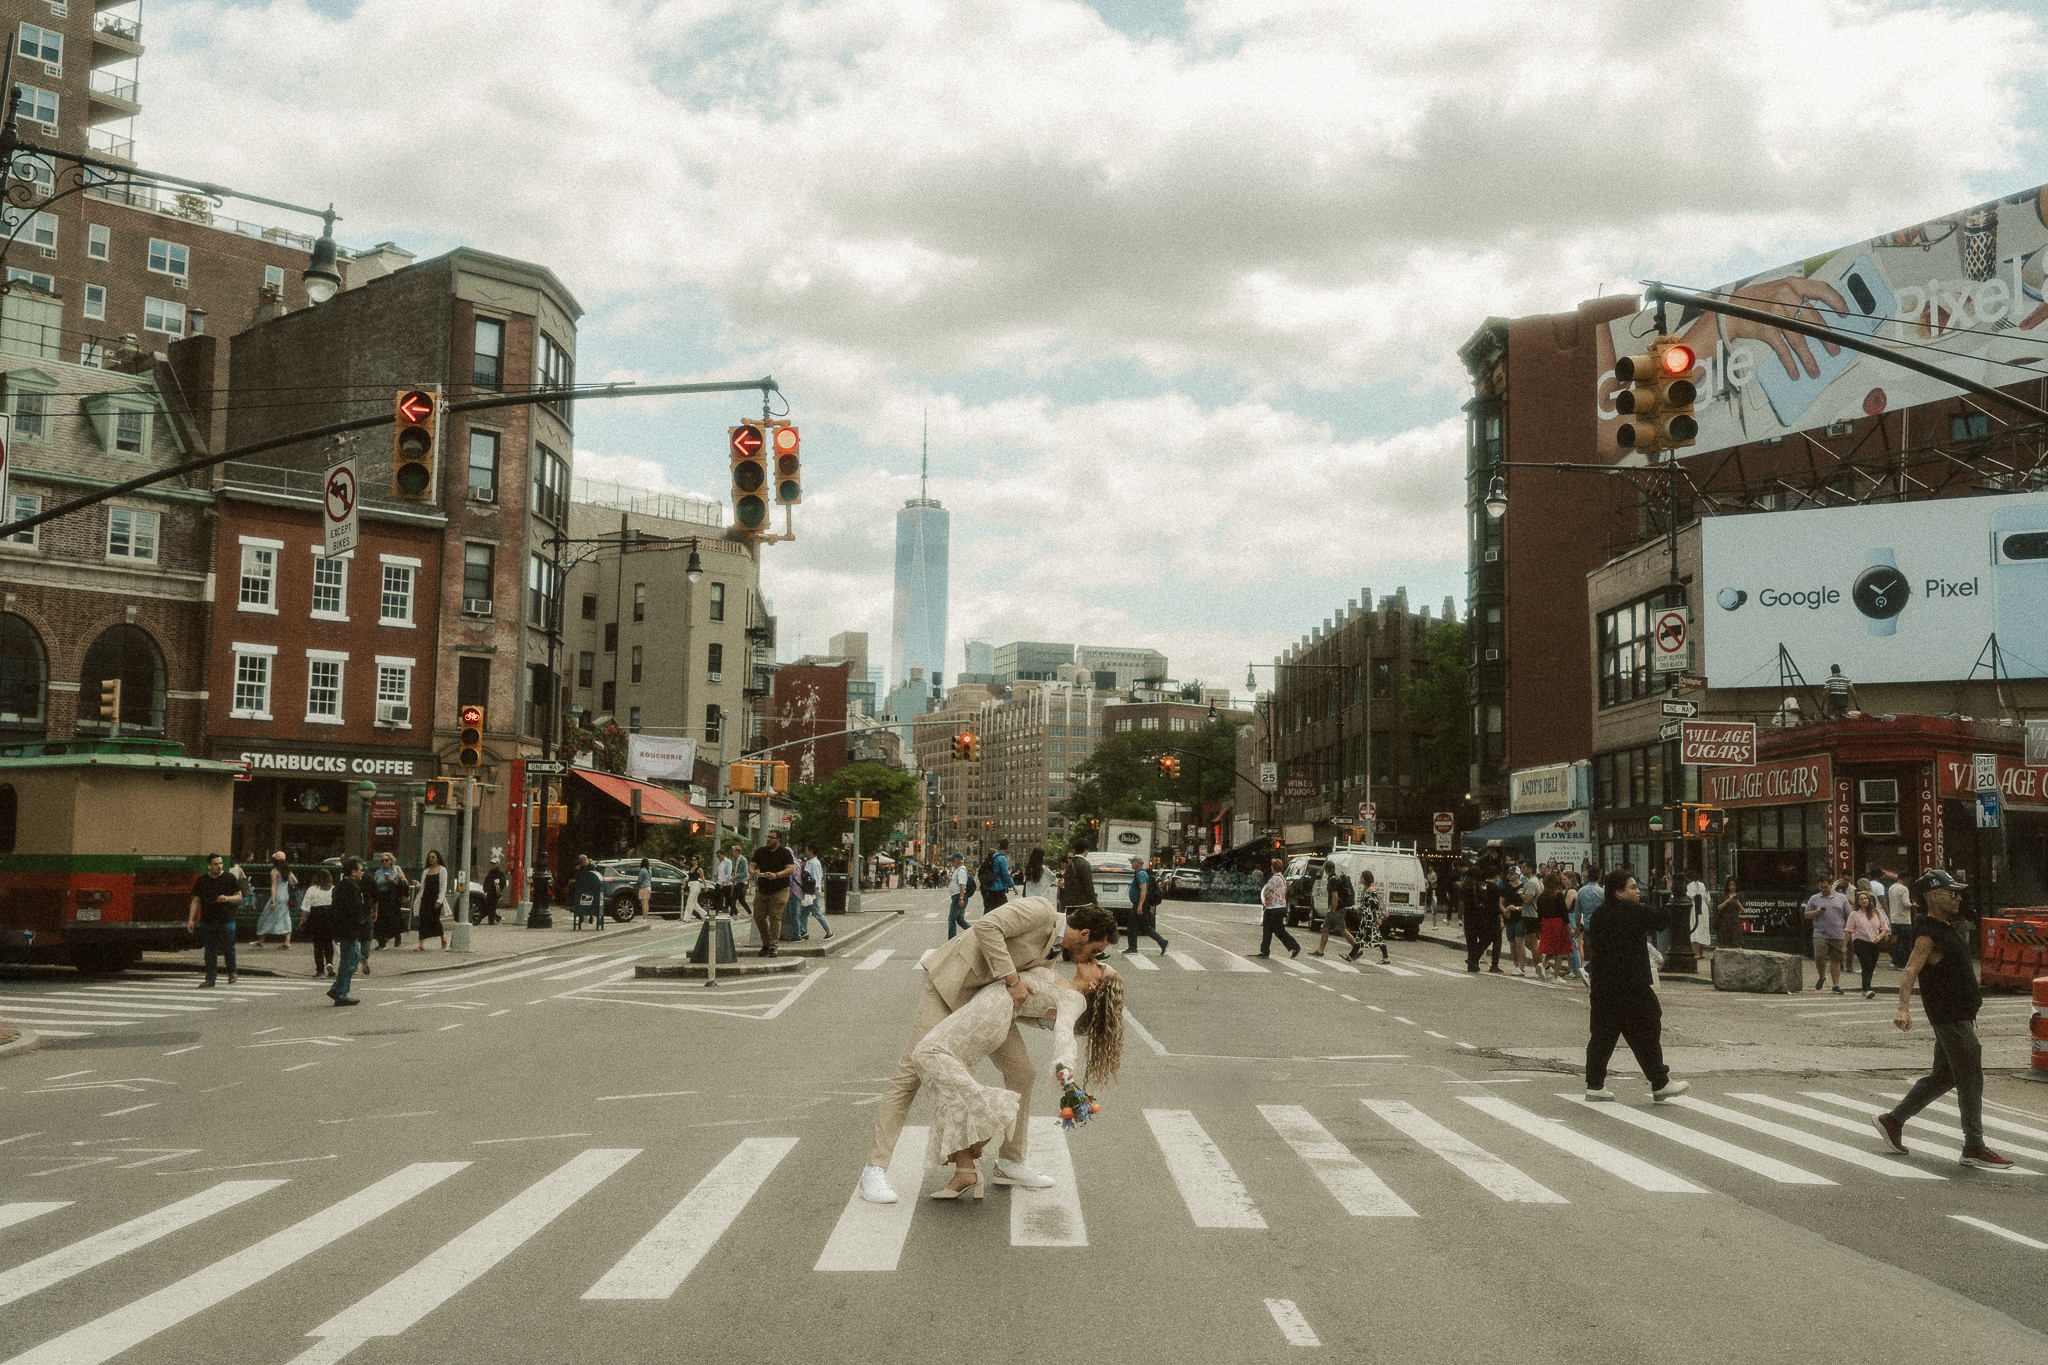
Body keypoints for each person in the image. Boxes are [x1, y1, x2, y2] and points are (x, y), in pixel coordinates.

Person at [857, 897, 1120, 1204]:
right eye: (1096, 951)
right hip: (951, 987)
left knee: (1023, 1073)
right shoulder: (1041, 911)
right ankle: (874, 1169)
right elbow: (987, 926)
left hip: (989, 1002)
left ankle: (1010, 1162)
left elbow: (1030, 999)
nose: (1092, 957)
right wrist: (1012, 979)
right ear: (1085, 934)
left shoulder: (1053, 953)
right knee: (910, 1074)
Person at [916, 958, 1123, 1199]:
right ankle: (966, 1170)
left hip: (992, 1010)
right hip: (991, 1006)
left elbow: (1064, 1031)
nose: (1096, 959)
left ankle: (999, 1107)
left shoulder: (1074, 998)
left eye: (1101, 967)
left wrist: (1065, 1065)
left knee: (926, 1053)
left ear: (1095, 984)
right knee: (949, 1081)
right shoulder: (1058, 977)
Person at [1872, 870, 2012, 1169]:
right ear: (1934, 895)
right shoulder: (1928, 932)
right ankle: (1974, 1145)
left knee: (1945, 1076)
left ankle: (1892, 1120)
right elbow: (1910, 970)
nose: (1958, 897)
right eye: (1953, 893)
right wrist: (1902, 1008)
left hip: (1957, 1016)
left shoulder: (1946, 926)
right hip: (1950, 1019)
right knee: (1971, 1078)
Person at [1583, 869, 1687, 1103]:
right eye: (1632, 887)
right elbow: (1662, 920)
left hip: (1603, 986)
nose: (1638, 890)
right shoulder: (1633, 912)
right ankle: (1660, 1082)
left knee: (1603, 1036)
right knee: (1648, 1027)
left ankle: (1595, 1085)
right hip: (1632, 986)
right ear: (1618, 892)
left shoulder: (1600, 914)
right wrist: (1670, 901)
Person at [186, 853, 242, 988]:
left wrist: (227, 898)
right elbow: (196, 900)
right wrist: (190, 920)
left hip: (226, 919)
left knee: (229, 947)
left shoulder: (229, 877)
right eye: (216, 864)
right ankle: (210, 979)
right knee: (210, 951)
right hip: (208, 920)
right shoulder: (202, 880)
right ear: (209, 866)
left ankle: (232, 971)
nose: (219, 866)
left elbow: (239, 896)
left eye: (221, 863)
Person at [327, 857, 370, 1007]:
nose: (362, 872)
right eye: (360, 870)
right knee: (348, 961)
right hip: (349, 929)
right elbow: (354, 910)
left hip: (343, 929)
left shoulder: (340, 886)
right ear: (353, 872)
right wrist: (361, 923)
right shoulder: (351, 887)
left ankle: (336, 989)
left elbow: (335, 910)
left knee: (354, 957)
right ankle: (341, 993)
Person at [750, 829, 798, 957]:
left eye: (772, 837)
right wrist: (753, 871)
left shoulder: (784, 853)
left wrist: (776, 875)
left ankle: (772, 947)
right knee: (758, 916)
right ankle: (766, 943)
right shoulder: (761, 851)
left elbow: (790, 869)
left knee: (775, 917)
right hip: (763, 889)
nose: (768, 839)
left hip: (780, 889)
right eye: (768, 837)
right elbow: (752, 865)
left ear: (778, 840)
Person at [1803, 872, 1850, 993]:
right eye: (1821, 887)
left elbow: (1848, 914)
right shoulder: (1814, 898)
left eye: (1826, 887)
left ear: (1831, 885)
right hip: (1820, 933)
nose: (1823, 889)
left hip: (1837, 933)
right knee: (1819, 956)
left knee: (1835, 959)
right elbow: (1806, 914)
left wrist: (1849, 930)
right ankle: (1822, 976)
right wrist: (1816, 913)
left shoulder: (1841, 898)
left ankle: (1836, 985)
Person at [1846, 889, 1888, 1000]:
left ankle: (1865, 988)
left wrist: (1880, 937)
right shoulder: (1854, 914)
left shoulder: (1876, 912)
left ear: (1869, 900)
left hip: (1875, 941)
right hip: (1860, 941)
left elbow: (1885, 927)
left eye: (1865, 899)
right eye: (1861, 899)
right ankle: (1867, 989)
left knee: (1872, 966)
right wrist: (1844, 946)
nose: (1864, 900)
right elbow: (1848, 930)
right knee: (1866, 964)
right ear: (1858, 902)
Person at [1125, 856, 1169, 955]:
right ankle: (1162, 942)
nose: (1131, 864)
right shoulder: (1140, 873)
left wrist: (1140, 905)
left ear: (1137, 863)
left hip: (1140, 904)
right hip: (1139, 903)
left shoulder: (1141, 874)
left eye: (1132, 862)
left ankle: (1133, 948)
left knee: (1132, 926)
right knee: (1144, 926)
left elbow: (1143, 889)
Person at [1257, 857, 1300, 959]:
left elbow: (1266, 889)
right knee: (1277, 930)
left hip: (1272, 908)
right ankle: (1266, 949)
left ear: (1273, 868)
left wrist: (1264, 899)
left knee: (1269, 929)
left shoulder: (1274, 879)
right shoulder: (1282, 879)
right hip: (1280, 907)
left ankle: (1266, 950)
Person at [1312, 868, 1358, 958]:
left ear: (1326, 870)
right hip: (1333, 910)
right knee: (1325, 928)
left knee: (1343, 931)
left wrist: (1333, 911)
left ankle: (1357, 948)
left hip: (1336, 910)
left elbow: (1335, 897)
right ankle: (1320, 950)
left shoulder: (1333, 881)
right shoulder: (1335, 879)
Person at [1535, 872, 1573, 980]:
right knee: (1560, 951)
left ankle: (1543, 963)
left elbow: (1539, 913)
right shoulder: (1558, 895)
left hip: (1545, 923)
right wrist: (1570, 927)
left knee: (1551, 947)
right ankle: (1556, 976)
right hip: (1558, 923)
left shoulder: (1541, 896)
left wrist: (1539, 928)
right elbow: (1564, 912)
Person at [1463, 866, 1500, 973]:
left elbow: (1461, 904)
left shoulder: (1463, 887)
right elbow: (1483, 901)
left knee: (1471, 941)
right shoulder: (1477, 887)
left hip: (1467, 917)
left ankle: (1472, 965)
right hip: (1478, 917)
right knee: (1486, 938)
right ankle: (1473, 959)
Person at [1347, 869, 1389, 964]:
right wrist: (1360, 908)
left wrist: (1379, 918)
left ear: (1366, 879)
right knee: (1367, 937)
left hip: (1370, 919)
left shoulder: (1371, 890)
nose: (1360, 879)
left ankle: (1350, 955)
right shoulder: (1367, 889)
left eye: (1361, 877)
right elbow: (1367, 903)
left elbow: (1376, 905)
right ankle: (1386, 957)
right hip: (1367, 918)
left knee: (1363, 937)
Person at [300, 869, 336, 978]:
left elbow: (306, 906)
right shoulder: (333, 889)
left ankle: (320, 971)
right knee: (329, 942)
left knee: (318, 945)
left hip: (316, 916)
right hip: (329, 915)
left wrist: (302, 919)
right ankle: (329, 962)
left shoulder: (312, 889)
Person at [1572, 867, 1605, 982]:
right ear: (1599, 877)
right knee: (1603, 951)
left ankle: (1595, 973)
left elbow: (1577, 911)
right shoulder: (1602, 892)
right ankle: (1587, 969)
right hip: (1601, 924)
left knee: (1596, 949)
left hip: (1587, 924)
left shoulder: (1581, 891)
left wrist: (1577, 926)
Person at [257, 852, 296, 949]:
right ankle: (287, 942)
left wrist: (272, 901)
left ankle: (261, 940)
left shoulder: (274, 871)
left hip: (277, 896)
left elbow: (273, 887)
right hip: (285, 896)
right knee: (286, 916)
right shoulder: (287, 871)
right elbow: (295, 881)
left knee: (267, 915)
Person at [793, 844, 832, 941]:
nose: (805, 851)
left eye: (806, 849)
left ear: (811, 851)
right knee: (803, 912)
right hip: (808, 892)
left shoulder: (815, 863)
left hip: (812, 893)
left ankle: (829, 931)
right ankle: (803, 931)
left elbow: (816, 879)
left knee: (817, 913)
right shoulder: (810, 862)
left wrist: (815, 894)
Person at [372, 852, 409, 952]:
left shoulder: (396, 869)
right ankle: (382, 943)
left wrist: (394, 881)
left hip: (392, 897)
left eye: (386, 860)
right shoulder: (378, 872)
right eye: (382, 860)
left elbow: (404, 882)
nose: (384, 862)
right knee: (379, 920)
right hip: (381, 897)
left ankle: (397, 934)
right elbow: (374, 885)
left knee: (393, 918)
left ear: (391, 860)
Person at [1881, 867, 1914, 969]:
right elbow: (1905, 904)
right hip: (1904, 919)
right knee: (1906, 942)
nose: (1909, 881)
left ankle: (1895, 961)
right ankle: (1901, 963)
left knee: (1899, 941)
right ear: (1905, 878)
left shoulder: (1891, 888)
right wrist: (1913, 905)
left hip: (1894, 918)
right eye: (1909, 879)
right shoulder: (1904, 889)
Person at [1497, 865, 1526, 976]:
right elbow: (1501, 903)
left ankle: (1522, 967)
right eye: (1508, 873)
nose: (1509, 875)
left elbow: (1527, 904)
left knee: (1519, 941)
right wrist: (1504, 910)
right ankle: (1516, 965)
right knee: (1512, 943)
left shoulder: (1523, 887)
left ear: (1517, 875)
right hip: (1509, 918)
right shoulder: (1506, 888)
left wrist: (1516, 908)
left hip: (1520, 917)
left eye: (1512, 873)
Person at [415, 850, 447, 950]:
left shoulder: (442, 870)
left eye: (433, 857)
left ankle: (443, 937)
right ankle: (421, 944)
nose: (431, 859)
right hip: (425, 899)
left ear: (437, 858)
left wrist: (439, 901)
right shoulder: (426, 871)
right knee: (422, 921)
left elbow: (443, 887)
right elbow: (423, 887)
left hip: (435, 899)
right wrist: (417, 884)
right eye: (429, 857)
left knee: (434, 920)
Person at [1058, 840, 1097, 912]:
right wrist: (1094, 902)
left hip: (1070, 903)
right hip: (1082, 904)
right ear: (1085, 849)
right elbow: (1088, 884)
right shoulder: (1085, 864)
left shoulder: (1070, 863)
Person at [570, 854, 606, 930]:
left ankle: (591, 917)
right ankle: (584, 919)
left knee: (591, 904)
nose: (580, 863)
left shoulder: (592, 867)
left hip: (591, 889)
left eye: (581, 862)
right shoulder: (581, 868)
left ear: (584, 860)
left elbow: (592, 877)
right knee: (583, 904)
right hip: (583, 889)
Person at [1714, 879, 1746, 952]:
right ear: (1728, 886)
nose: (1733, 887)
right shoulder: (1723, 895)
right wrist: (1728, 900)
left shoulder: (1740, 895)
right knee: (1724, 943)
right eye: (1731, 885)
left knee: (1737, 943)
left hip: (1735, 920)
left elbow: (1743, 911)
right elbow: (1719, 908)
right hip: (1725, 920)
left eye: (1734, 885)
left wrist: (1737, 902)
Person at [946, 853, 973, 938]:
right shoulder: (958, 870)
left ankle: (951, 940)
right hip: (957, 896)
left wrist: (961, 898)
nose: (952, 862)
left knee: (952, 920)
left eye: (953, 860)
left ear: (958, 861)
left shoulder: (961, 870)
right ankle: (974, 933)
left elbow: (962, 885)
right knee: (960, 920)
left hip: (958, 896)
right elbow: (956, 883)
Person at [984, 839, 1016, 910]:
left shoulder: (994, 856)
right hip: (999, 888)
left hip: (991, 887)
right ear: (1007, 847)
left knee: (993, 910)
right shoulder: (1002, 858)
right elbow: (1006, 874)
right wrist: (1013, 886)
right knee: (1004, 910)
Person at [479, 856, 505, 925]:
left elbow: (503, 883)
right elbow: (487, 880)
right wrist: (485, 888)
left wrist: (500, 890)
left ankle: (491, 921)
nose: (493, 865)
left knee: (492, 907)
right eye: (492, 864)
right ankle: (497, 918)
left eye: (494, 864)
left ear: (498, 864)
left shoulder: (500, 873)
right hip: (489, 892)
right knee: (489, 906)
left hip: (495, 893)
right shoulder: (491, 872)